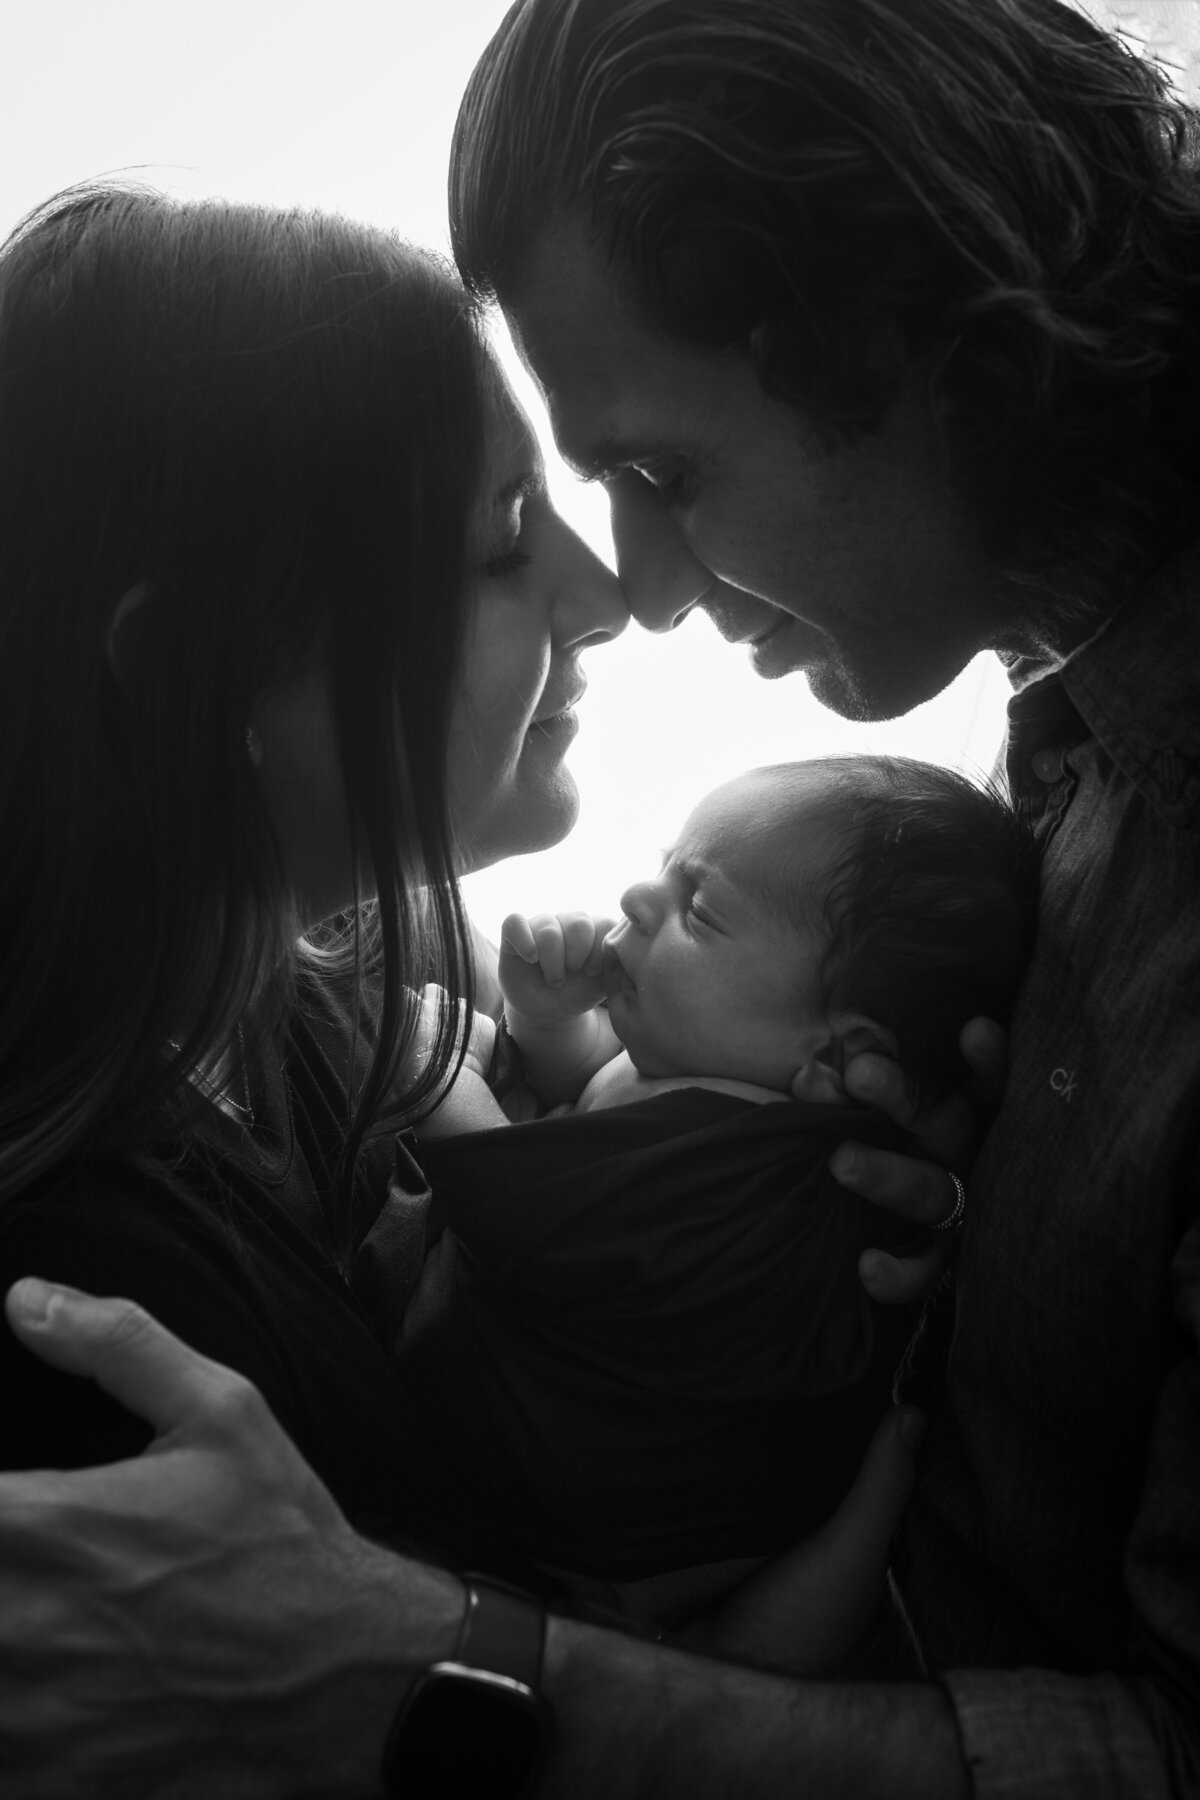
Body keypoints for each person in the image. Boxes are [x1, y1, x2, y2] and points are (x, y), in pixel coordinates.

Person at [3, 0, 1198, 1793]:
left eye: (659, 470)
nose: (623, 584)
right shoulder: (1068, 768)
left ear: (918, 335)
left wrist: (433, 1674)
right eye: (528, 524)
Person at [0, 178, 629, 1571]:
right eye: (504, 543)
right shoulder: (91, 1329)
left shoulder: (315, 1009)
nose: (607, 597)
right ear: (191, 674)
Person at [399, 756, 1035, 1622]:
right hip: (640, 1528)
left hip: (590, 1544)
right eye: (666, 866)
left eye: (697, 908)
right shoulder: (720, 1080)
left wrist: (442, 1076)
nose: (635, 899)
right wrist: (549, 1022)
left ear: (837, 1055)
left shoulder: (746, 1170)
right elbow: (587, 1097)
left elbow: (529, 1218)